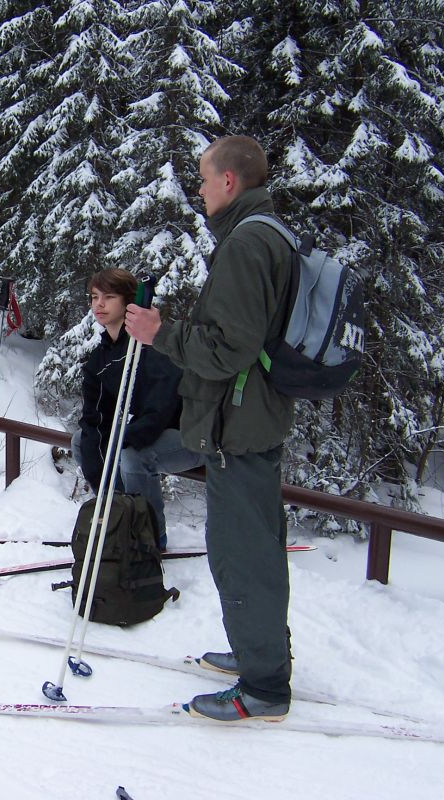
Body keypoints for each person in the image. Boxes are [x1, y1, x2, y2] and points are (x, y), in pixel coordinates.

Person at [124, 135, 296, 723]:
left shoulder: (247, 243)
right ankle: (260, 652)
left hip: (238, 424)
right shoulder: (269, 234)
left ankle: (264, 687)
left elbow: (227, 350)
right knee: (255, 546)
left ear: (229, 181)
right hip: (253, 418)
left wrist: (160, 334)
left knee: (241, 553)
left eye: (202, 179)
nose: (198, 190)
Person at [71, 268, 202, 551]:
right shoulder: (101, 358)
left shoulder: (153, 347)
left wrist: (122, 439)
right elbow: (95, 417)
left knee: (133, 455)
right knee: (82, 442)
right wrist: (99, 454)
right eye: (94, 297)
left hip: (193, 433)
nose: (99, 304)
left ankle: (149, 535)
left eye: (109, 297)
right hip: (149, 430)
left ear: (128, 302)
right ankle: (120, 517)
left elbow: (161, 410)